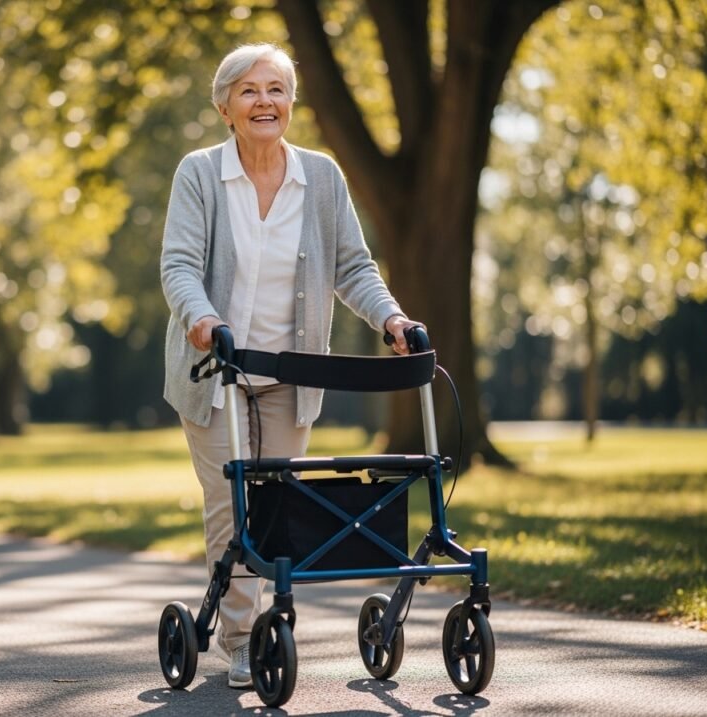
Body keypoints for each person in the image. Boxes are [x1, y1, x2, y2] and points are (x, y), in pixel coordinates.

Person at [160, 43, 423, 689]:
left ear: (292, 103)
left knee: (281, 511)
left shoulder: (322, 177)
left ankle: (270, 627)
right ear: (225, 106)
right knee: (232, 508)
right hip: (216, 371)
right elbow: (180, 267)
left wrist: (391, 317)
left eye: (276, 89)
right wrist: (204, 321)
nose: (264, 102)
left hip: (290, 374)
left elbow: (353, 267)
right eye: (249, 90)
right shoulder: (199, 173)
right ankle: (245, 641)